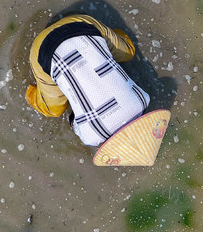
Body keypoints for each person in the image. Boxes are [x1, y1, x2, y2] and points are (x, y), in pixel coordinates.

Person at [25, 13, 169, 166]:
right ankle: (31, 92)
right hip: (42, 49)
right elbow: (72, 121)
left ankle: (109, 40)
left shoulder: (143, 101)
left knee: (128, 52)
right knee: (53, 110)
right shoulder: (92, 137)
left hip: (83, 24)